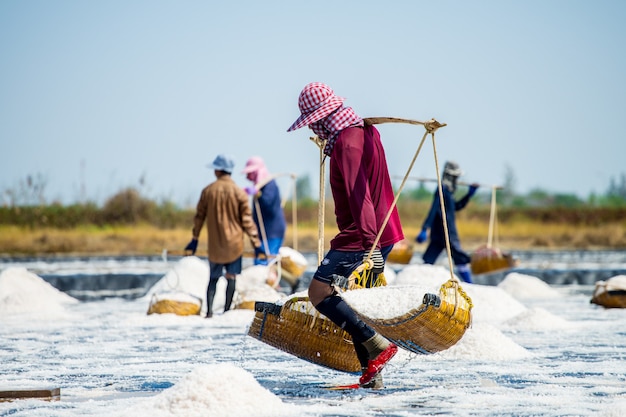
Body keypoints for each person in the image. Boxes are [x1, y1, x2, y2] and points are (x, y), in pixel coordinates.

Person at [287, 82, 404, 389]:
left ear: (323, 115)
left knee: (319, 293)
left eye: (313, 120)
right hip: (381, 230)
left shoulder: (347, 144)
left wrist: (369, 244)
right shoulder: (363, 130)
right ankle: (371, 377)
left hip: (363, 235)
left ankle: (376, 343)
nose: (312, 126)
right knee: (354, 302)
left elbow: (360, 195)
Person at [184, 154, 261, 318]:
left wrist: (194, 239)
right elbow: (247, 220)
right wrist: (256, 243)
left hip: (215, 245)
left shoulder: (208, 191)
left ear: (219, 171)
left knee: (213, 278)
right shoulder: (239, 193)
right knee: (231, 277)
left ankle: (210, 312)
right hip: (235, 244)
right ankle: (226, 312)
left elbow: (199, 218)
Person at [415, 161, 478, 283]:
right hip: (446, 232)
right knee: (458, 257)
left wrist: (468, 195)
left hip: (441, 232)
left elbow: (455, 207)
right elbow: (434, 209)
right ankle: (419, 283)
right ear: (450, 176)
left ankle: (470, 285)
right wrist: (424, 228)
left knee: (429, 259)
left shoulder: (448, 192)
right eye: (455, 177)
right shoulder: (442, 189)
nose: (457, 180)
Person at [242, 156, 287, 265]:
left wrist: (258, 194)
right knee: (261, 261)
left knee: (264, 263)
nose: (248, 176)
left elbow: (269, 205)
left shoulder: (269, 184)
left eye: (250, 172)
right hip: (263, 232)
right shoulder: (260, 186)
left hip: (272, 232)